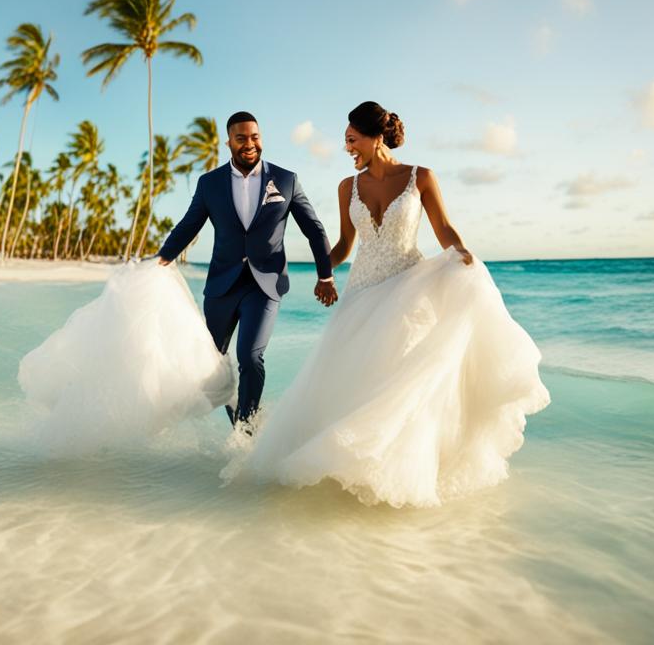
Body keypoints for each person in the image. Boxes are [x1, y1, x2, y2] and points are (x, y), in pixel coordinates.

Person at [226, 101, 551, 507]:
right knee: (353, 378)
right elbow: (346, 244)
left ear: (376, 137)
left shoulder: (421, 178)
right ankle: (347, 464)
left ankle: (395, 470)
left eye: (352, 140)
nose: (348, 149)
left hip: (408, 289)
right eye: (346, 142)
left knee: (399, 382)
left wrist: (462, 254)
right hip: (362, 291)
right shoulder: (348, 187)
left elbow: (444, 228)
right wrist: (322, 271)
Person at [156, 111, 336, 431]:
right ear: (229, 142)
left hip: (265, 284)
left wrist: (325, 276)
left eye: (255, 137)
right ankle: (240, 421)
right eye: (241, 138)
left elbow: (314, 229)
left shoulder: (285, 179)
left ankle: (246, 430)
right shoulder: (209, 183)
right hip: (221, 288)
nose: (250, 144)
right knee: (213, 364)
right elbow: (188, 226)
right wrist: (161, 260)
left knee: (250, 357)